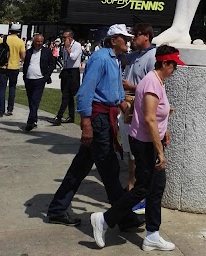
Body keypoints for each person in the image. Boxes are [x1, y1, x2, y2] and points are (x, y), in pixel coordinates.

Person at [46, 24, 141, 230]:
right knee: (109, 167)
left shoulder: (115, 60)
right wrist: (86, 123)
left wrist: (127, 110)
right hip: (98, 118)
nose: (127, 41)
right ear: (113, 40)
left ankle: (57, 208)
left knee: (81, 166)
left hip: (106, 116)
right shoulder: (100, 59)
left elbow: (116, 93)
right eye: (123, 38)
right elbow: (85, 92)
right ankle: (122, 217)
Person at [90, 45, 185, 251]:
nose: (174, 70)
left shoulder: (157, 81)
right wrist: (160, 152)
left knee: (156, 187)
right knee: (144, 187)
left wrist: (165, 127)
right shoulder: (152, 83)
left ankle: (152, 234)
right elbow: (150, 118)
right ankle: (105, 219)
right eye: (174, 66)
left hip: (150, 141)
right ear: (165, 63)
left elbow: (152, 112)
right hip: (145, 144)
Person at [119, 22, 156, 199]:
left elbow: (153, 86)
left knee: (138, 149)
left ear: (146, 36)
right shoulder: (133, 55)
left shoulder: (152, 56)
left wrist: (131, 87)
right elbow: (118, 56)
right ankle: (131, 184)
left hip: (139, 107)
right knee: (129, 149)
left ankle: (136, 186)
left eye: (135, 35)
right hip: (126, 106)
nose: (132, 39)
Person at [22, 33, 55, 131]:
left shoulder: (46, 52)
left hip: (40, 79)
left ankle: (30, 122)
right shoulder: (29, 52)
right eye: (38, 41)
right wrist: (24, 75)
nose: (39, 43)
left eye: (41, 41)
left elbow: (52, 64)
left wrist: (46, 76)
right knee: (31, 101)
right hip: (29, 79)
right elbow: (25, 64)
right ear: (34, 42)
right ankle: (34, 119)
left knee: (35, 100)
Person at [0, 23, 25, 117]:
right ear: (18, 32)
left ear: (10, 30)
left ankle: (1, 111)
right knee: (12, 88)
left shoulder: (2, 39)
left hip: (3, 67)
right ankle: (10, 109)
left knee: (2, 89)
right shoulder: (20, 42)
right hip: (14, 68)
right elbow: (23, 57)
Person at [51, 30, 82, 125]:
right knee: (67, 95)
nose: (63, 39)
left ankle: (59, 116)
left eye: (65, 37)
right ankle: (71, 116)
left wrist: (68, 48)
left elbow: (73, 57)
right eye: (63, 37)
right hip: (66, 71)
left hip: (73, 72)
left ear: (70, 37)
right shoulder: (64, 46)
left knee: (67, 95)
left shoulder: (77, 46)